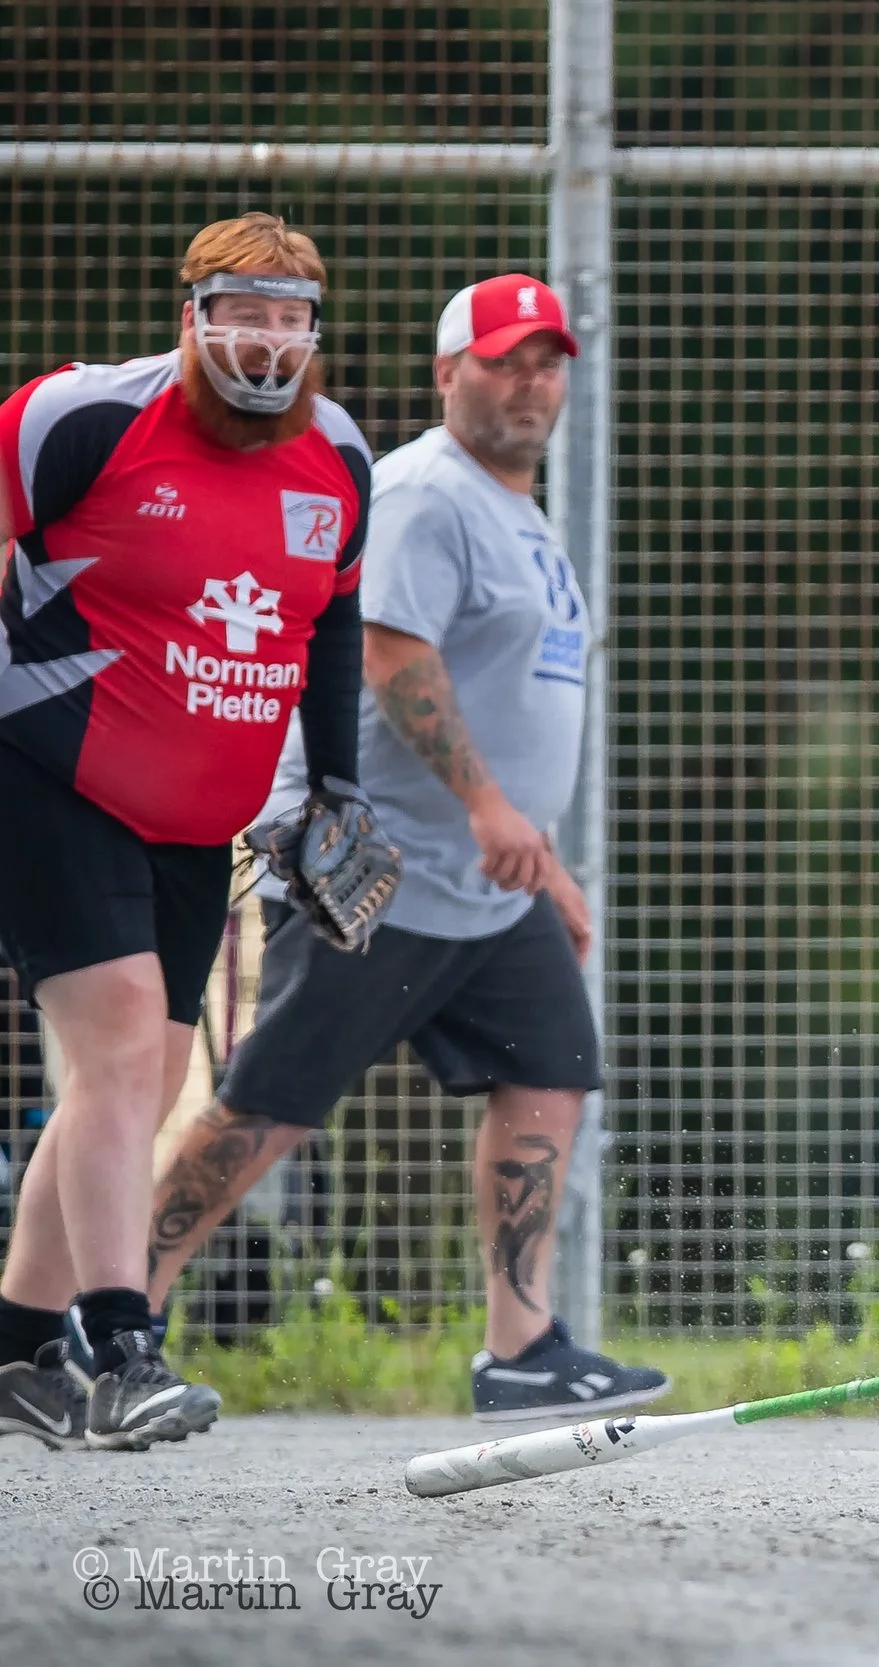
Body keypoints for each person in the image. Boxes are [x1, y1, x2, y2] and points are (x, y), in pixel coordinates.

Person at [139, 274, 668, 1424]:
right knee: (267, 1107)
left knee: (551, 1072)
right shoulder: (427, 491)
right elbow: (389, 651)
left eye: (547, 363)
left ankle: (521, 1348)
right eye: (503, 360)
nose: (529, 383)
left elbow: (515, 700)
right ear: (447, 373)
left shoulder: (514, 510)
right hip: (378, 874)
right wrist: (487, 805)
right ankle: (115, 1308)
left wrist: (541, 855)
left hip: (486, 882)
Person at [0, 213, 372, 1450]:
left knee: (147, 1081)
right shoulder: (79, 419)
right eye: (243, 312)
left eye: (290, 316)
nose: (267, 340)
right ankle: (118, 1349)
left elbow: (329, 624)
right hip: (49, 772)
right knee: (115, 1043)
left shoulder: (337, 457)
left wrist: (336, 788)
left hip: (195, 817)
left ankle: (14, 1352)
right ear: (192, 316)